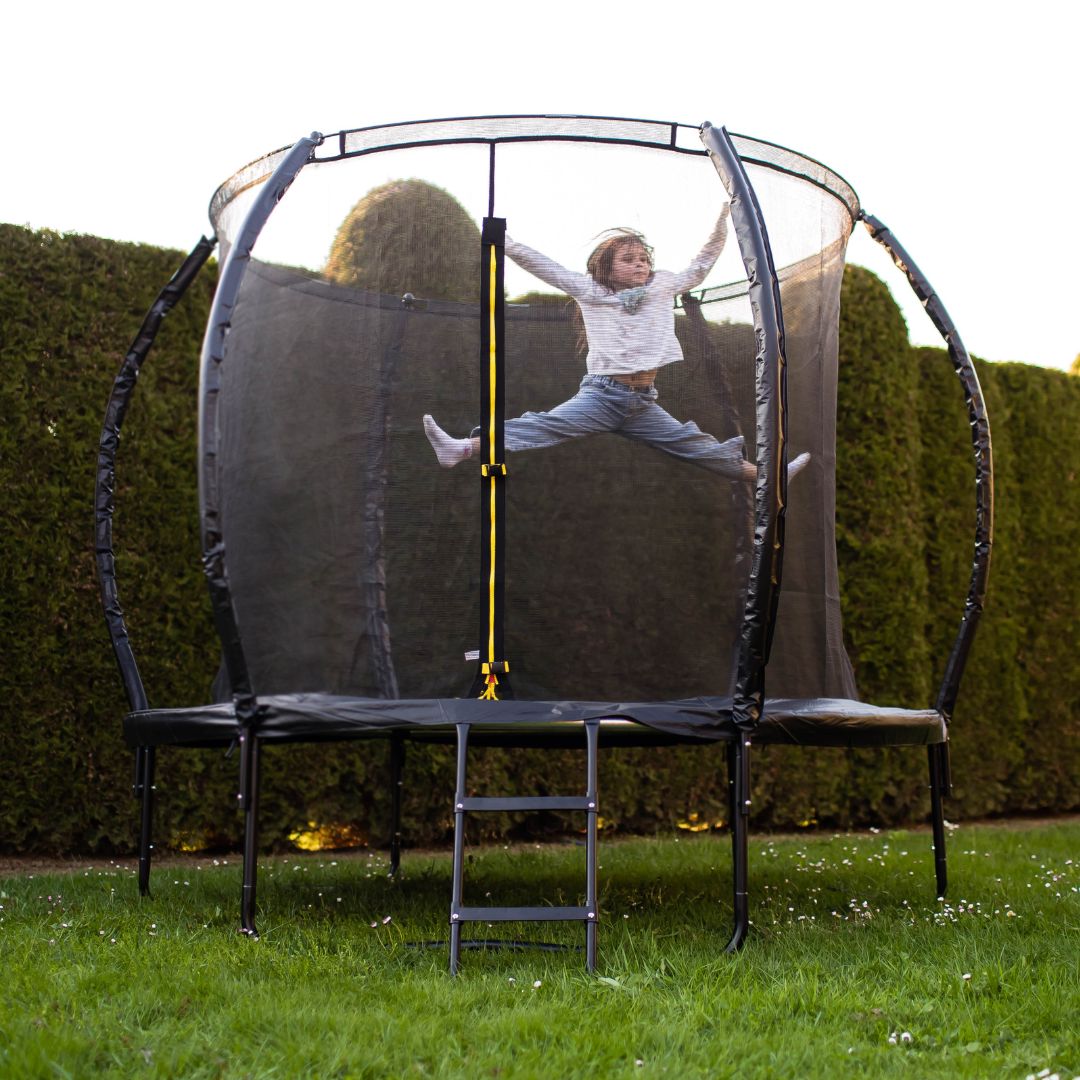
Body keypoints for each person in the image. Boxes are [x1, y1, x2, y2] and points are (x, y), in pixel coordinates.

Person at [423, 205, 809, 483]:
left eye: (643, 258)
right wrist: (505, 244)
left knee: (696, 446)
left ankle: (768, 478)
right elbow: (547, 268)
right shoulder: (590, 291)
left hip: (642, 403)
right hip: (603, 396)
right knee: (543, 427)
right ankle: (462, 448)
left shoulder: (662, 286)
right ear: (606, 267)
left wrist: (721, 224)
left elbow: (701, 265)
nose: (640, 264)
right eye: (628, 259)